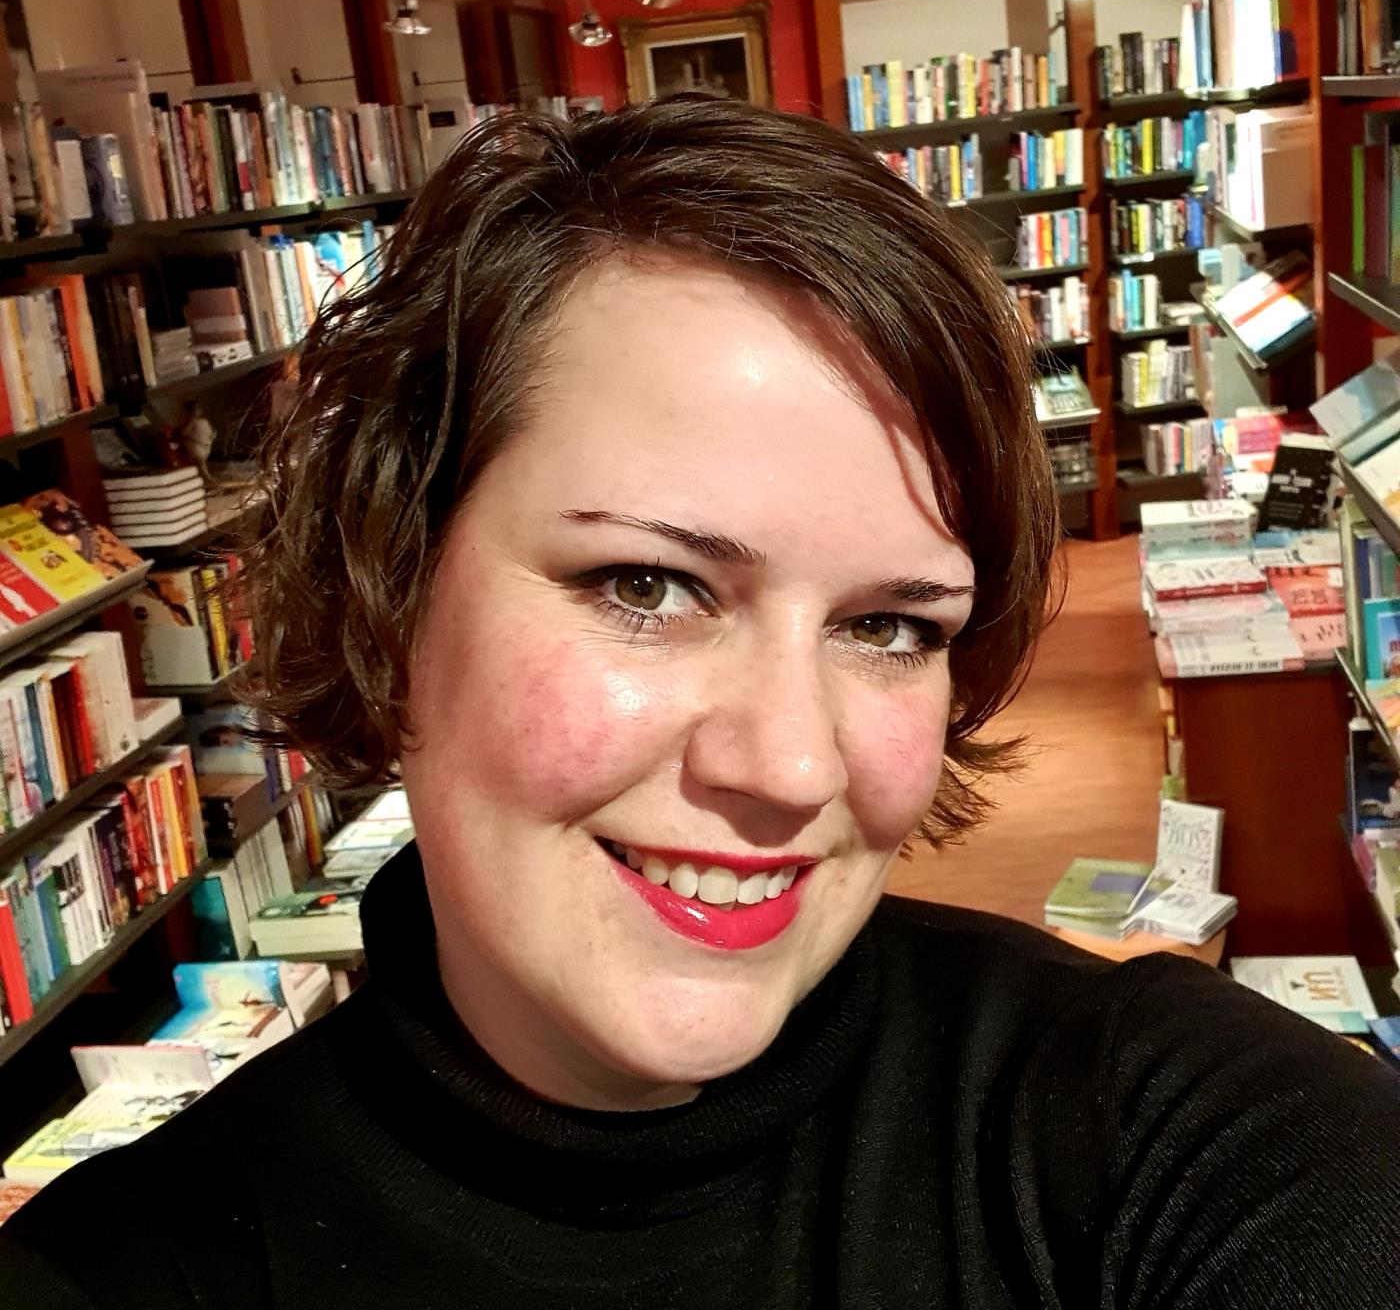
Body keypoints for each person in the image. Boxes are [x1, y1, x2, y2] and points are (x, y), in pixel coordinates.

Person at [2, 97, 1397, 1307]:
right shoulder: (115, 1269)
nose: (791, 765)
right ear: (392, 590)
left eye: (889, 626)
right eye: (648, 587)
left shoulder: (1173, 1133)